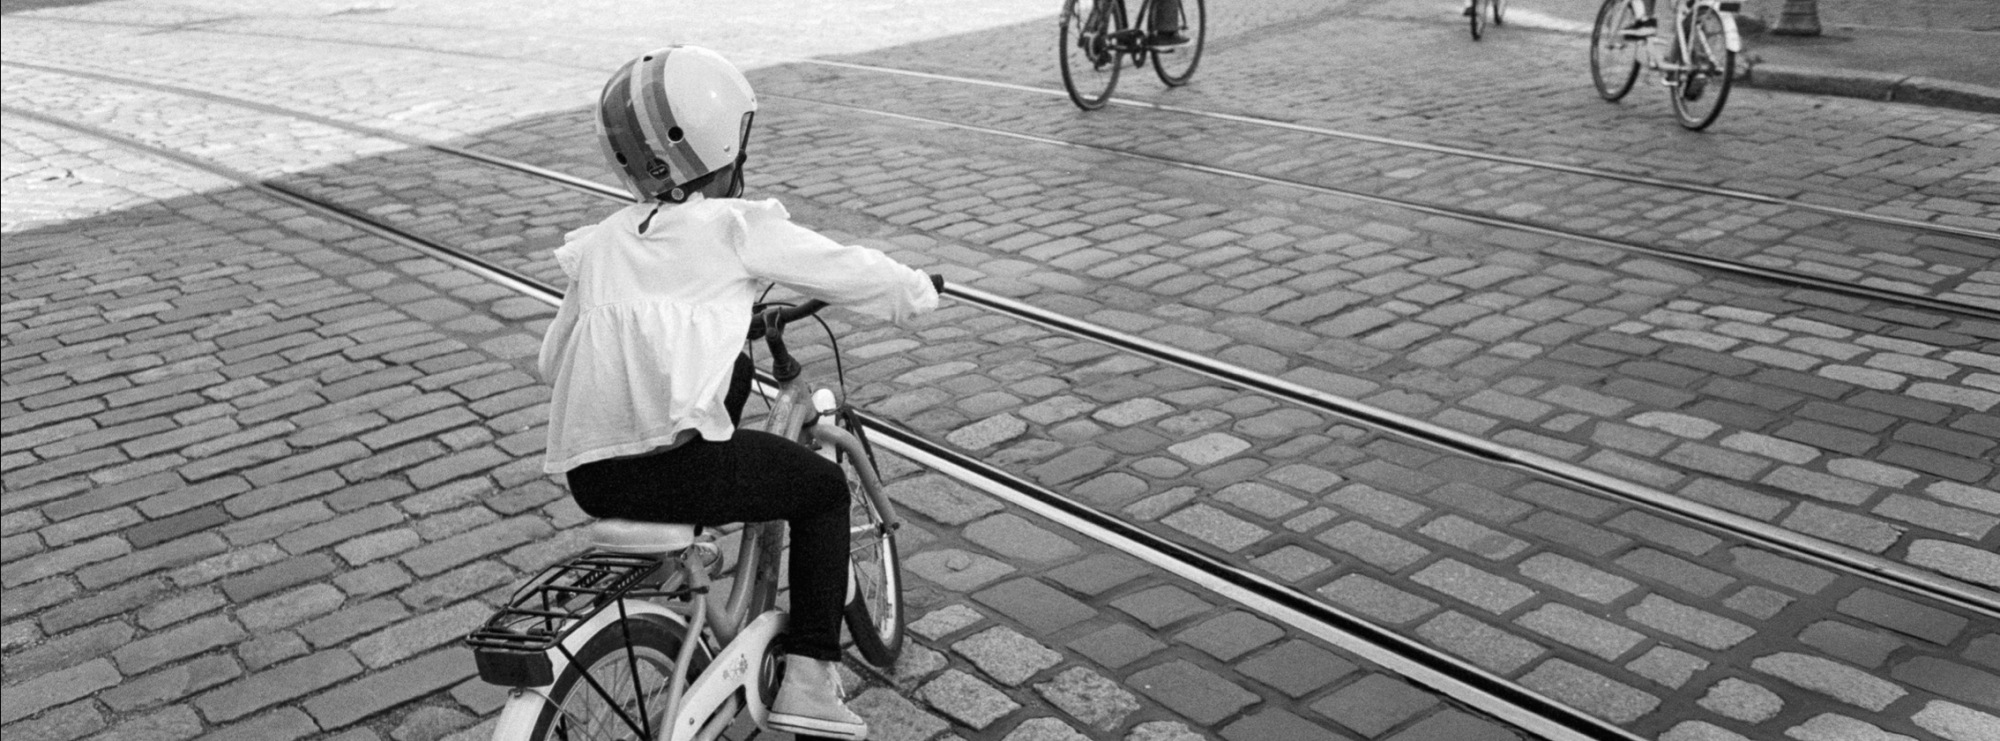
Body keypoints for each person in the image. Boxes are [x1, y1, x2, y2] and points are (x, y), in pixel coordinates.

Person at [537, 45, 940, 741]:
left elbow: (552, 361)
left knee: (710, 438)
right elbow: (845, 268)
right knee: (822, 491)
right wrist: (916, 292)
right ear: (725, 145)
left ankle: (689, 598)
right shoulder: (733, 227)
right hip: (678, 470)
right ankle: (809, 680)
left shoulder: (602, 243)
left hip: (592, 478)